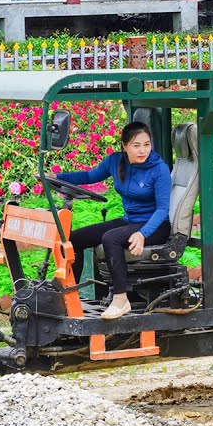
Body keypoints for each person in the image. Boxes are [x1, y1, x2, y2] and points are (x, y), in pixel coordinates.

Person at [55, 121, 171, 320]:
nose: (143, 150)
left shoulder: (159, 169)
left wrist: (142, 234)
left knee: (111, 238)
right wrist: (56, 176)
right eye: (136, 145)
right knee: (73, 239)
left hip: (155, 226)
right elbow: (89, 176)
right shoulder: (115, 161)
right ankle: (68, 294)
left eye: (146, 144)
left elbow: (162, 210)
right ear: (125, 146)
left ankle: (120, 299)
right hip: (130, 221)